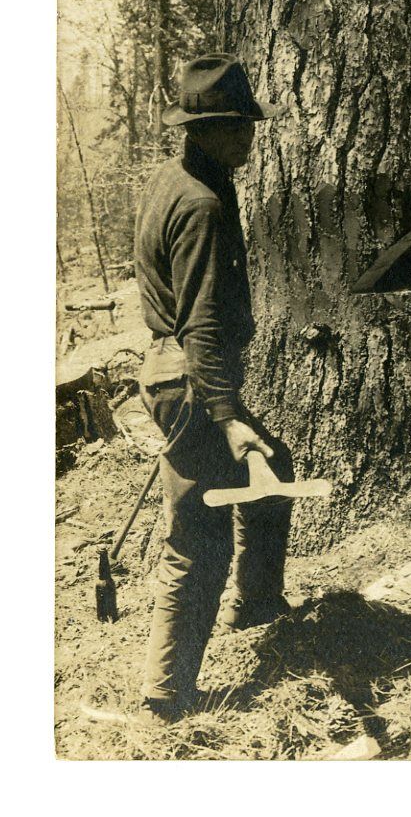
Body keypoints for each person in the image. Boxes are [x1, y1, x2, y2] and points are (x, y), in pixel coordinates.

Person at [134, 53, 292, 721]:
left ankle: (257, 605)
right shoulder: (200, 203)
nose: (249, 136)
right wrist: (227, 416)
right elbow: (199, 322)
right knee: (198, 543)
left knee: (275, 469)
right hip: (192, 381)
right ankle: (165, 698)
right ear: (204, 130)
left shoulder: (184, 178)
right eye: (237, 126)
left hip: (185, 375)